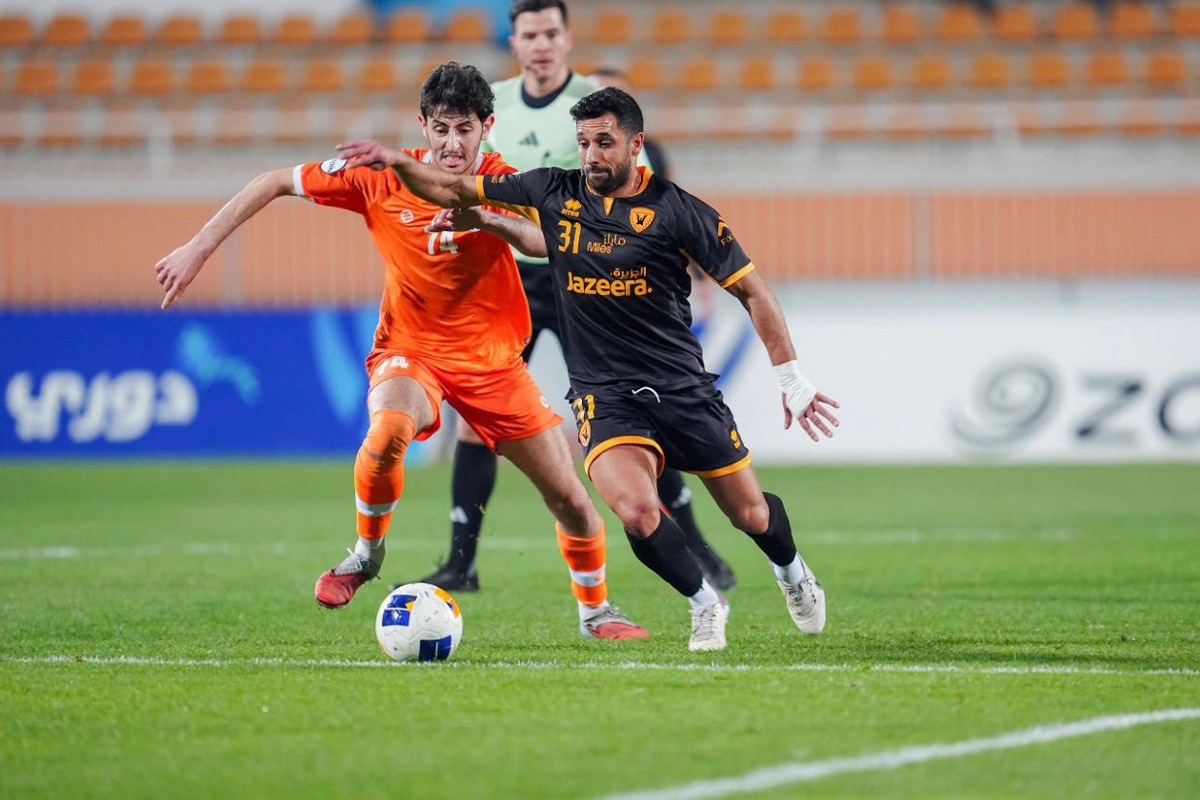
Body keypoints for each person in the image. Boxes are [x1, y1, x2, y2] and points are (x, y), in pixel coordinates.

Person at [152, 63, 648, 641]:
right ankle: (366, 554)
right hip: (411, 349)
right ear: (423, 125)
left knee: (569, 498)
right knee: (388, 429)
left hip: (492, 363)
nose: (453, 144)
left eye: (465, 129)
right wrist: (197, 247)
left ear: (487, 128)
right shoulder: (380, 178)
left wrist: (489, 219)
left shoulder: (502, 180)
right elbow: (274, 181)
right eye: (441, 129)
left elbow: (549, 241)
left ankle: (595, 612)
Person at [335, 87, 840, 652]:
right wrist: (399, 161)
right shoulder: (553, 190)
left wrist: (792, 380)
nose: (592, 155)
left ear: (635, 144)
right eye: (583, 143)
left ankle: (792, 571)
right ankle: (704, 603)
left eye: (604, 142)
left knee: (750, 513)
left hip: (681, 387)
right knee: (636, 511)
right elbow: (453, 187)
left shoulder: (680, 211)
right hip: (605, 394)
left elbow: (754, 291)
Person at [408, 0, 738, 596]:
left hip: (588, 281)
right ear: (514, 41)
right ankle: (460, 563)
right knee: (476, 421)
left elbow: (650, 191)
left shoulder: (596, 104)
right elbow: (460, 175)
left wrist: (690, 266)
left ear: (567, 38)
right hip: (510, 277)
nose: (540, 44)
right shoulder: (491, 105)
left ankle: (699, 550)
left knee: (643, 415)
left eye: (550, 33)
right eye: (529, 34)